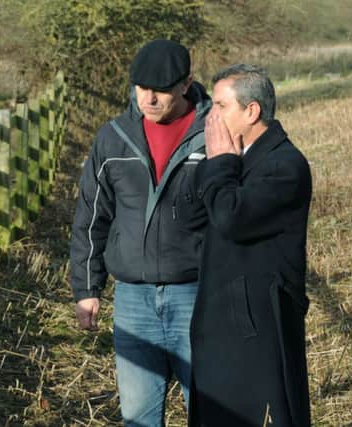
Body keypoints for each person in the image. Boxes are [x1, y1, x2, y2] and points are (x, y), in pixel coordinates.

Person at [69, 39, 211, 426]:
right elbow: (91, 215)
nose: (149, 97)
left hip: (199, 296)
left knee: (210, 410)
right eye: (141, 86)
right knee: (138, 418)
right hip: (133, 301)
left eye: (161, 89)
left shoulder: (216, 135)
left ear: (186, 84)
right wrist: (87, 289)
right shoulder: (113, 138)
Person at [186, 64, 312, 426]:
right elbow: (192, 216)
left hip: (257, 327)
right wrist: (213, 160)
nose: (212, 116)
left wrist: (223, 163)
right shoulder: (238, 157)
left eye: (221, 106)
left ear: (251, 110)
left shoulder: (284, 166)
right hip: (222, 320)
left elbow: (231, 217)